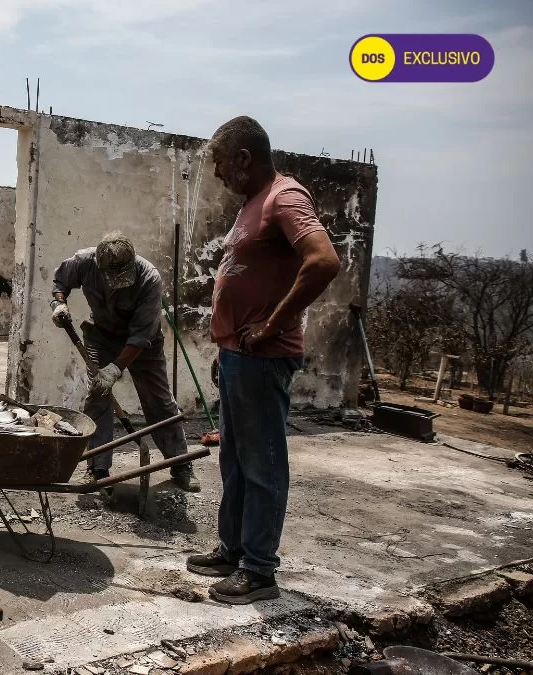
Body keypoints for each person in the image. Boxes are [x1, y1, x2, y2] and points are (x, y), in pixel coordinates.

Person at [185, 116, 340, 604]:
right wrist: (226, 346)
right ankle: (232, 551)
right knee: (234, 459)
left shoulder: (284, 197)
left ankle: (258, 570)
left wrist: (271, 325)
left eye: (219, 163)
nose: (217, 174)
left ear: (243, 158)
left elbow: (323, 261)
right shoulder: (253, 203)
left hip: (264, 356)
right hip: (239, 356)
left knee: (262, 464)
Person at [51, 232, 197, 492]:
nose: (117, 285)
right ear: (99, 264)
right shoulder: (84, 262)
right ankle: (97, 469)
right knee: (98, 396)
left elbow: (141, 336)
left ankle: (181, 464)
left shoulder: (149, 278)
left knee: (159, 401)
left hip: (143, 344)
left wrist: (115, 369)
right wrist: (58, 303)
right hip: (101, 336)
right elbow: (60, 281)